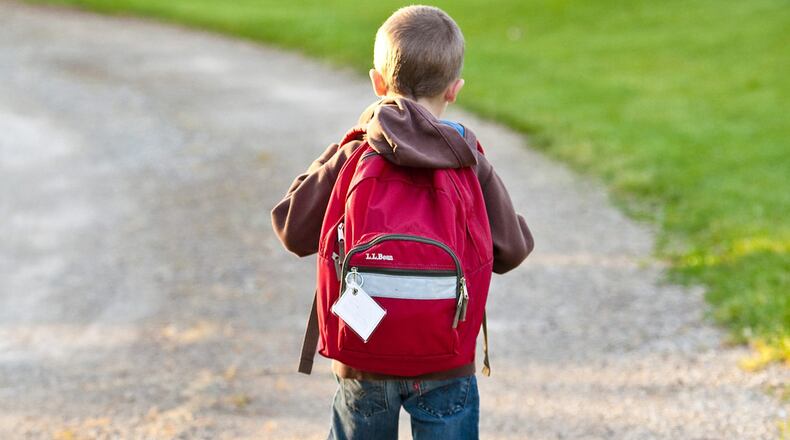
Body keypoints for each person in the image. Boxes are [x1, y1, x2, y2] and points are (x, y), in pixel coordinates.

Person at [271, 5, 533, 439]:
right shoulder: (467, 158)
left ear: (377, 83)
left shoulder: (356, 153)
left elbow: (291, 229)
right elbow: (512, 252)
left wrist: (340, 148)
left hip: (363, 356)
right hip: (445, 359)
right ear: (454, 89)